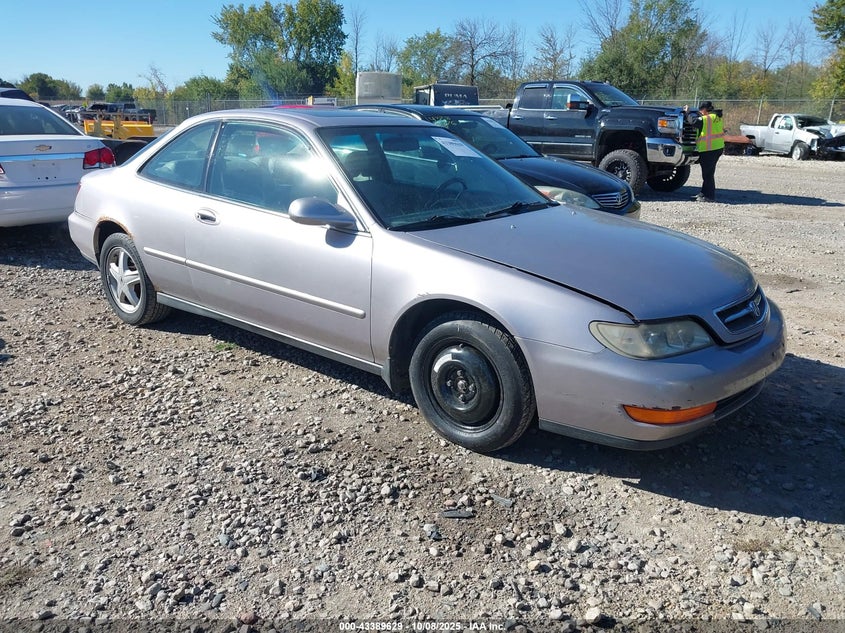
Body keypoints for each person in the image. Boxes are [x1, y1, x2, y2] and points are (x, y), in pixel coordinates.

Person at [684, 101, 725, 202]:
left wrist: (688, 112)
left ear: (705, 110)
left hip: (709, 149)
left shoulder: (706, 119)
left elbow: (694, 122)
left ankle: (709, 196)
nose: (700, 113)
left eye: (701, 111)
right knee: (708, 173)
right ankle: (703, 193)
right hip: (717, 148)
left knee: (708, 174)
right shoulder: (716, 116)